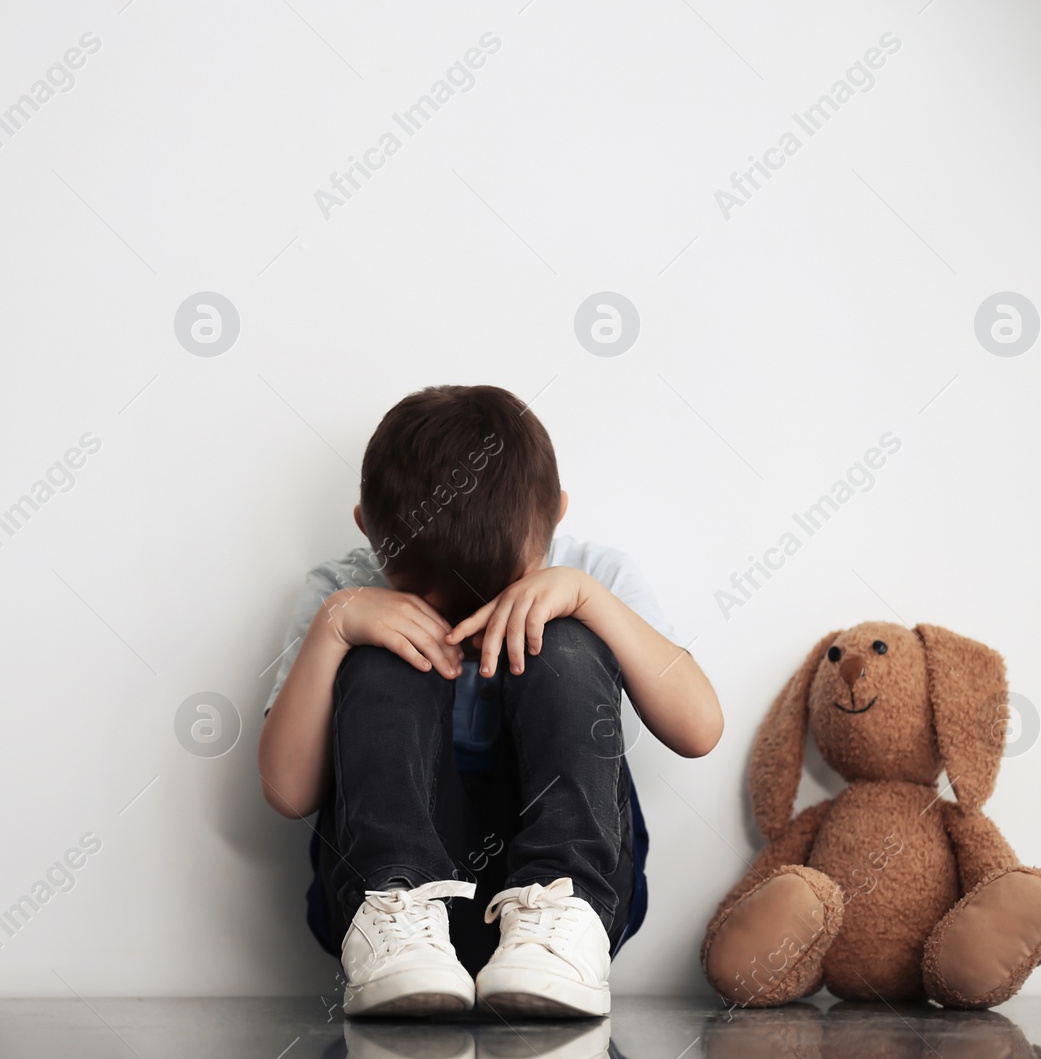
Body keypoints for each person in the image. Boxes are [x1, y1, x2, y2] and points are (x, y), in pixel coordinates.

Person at [257, 384, 722, 1018]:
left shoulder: (592, 574)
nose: (472, 626)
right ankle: (396, 903)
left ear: (557, 518)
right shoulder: (342, 589)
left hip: (568, 906)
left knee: (567, 639)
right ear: (369, 530)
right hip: (391, 911)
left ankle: (560, 909)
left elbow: (700, 729)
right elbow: (288, 792)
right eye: (437, 607)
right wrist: (336, 626)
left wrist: (588, 600)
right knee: (374, 651)